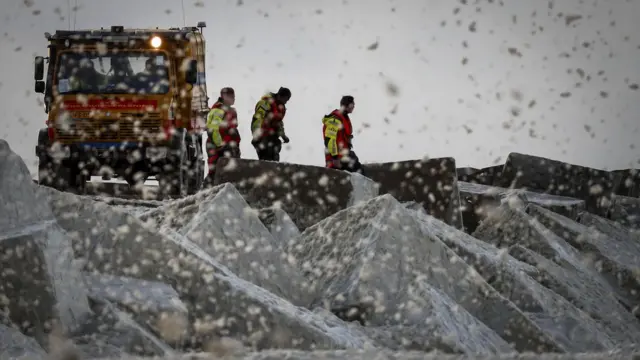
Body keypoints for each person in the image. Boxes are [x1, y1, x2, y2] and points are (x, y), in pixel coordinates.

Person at [204, 87, 241, 184]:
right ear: (224, 97)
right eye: (231, 96)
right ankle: (205, 193)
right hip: (218, 146)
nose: (234, 98)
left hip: (228, 146)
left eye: (234, 96)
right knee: (215, 172)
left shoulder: (230, 110)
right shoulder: (218, 110)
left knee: (230, 172)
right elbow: (213, 130)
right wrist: (221, 145)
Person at [322, 95, 364, 174]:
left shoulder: (344, 118)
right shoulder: (334, 119)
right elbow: (329, 139)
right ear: (346, 105)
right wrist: (335, 158)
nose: (354, 106)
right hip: (336, 159)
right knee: (357, 167)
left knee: (354, 159)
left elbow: (343, 137)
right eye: (352, 104)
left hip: (343, 156)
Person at [250, 87, 291, 161]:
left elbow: (279, 123)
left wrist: (283, 135)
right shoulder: (266, 103)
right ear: (279, 95)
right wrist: (257, 133)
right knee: (266, 157)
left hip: (273, 137)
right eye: (285, 99)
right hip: (263, 136)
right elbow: (258, 118)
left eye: (287, 100)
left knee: (275, 156)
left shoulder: (280, 108)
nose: (286, 101)